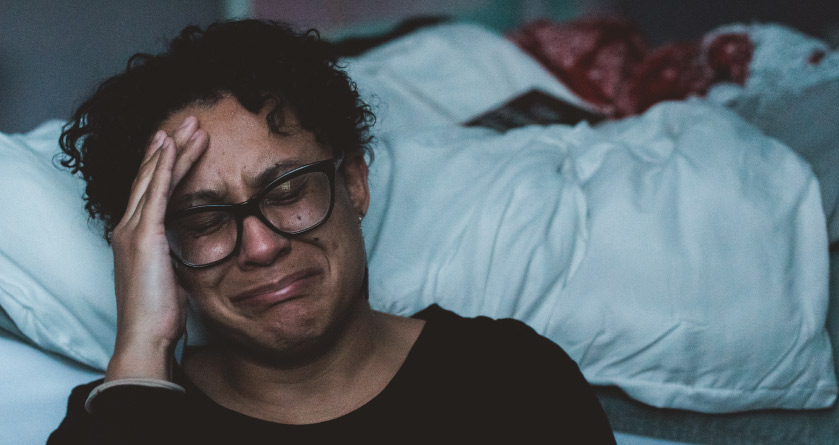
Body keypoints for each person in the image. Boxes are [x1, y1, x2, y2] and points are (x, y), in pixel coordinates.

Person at [47, 19, 616, 444]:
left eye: (290, 192)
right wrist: (143, 351)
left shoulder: (510, 380)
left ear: (354, 184)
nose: (263, 246)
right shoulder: (118, 416)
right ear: (160, 253)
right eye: (205, 222)